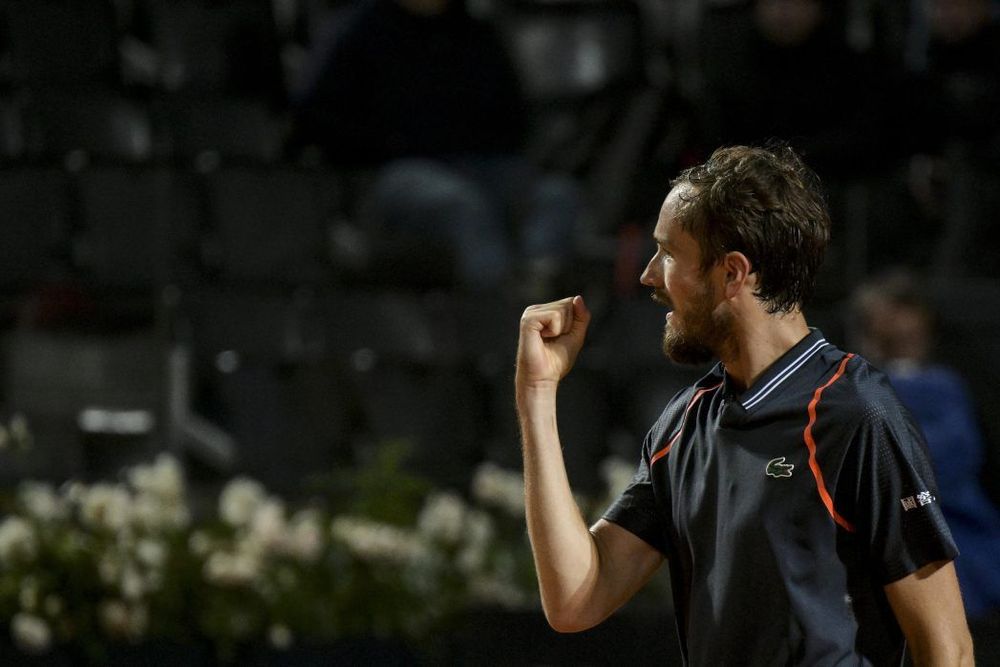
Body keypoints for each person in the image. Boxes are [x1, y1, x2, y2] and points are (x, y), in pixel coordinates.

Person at [515, 145, 974, 665]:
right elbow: (576, 600)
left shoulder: (857, 413)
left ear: (732, 272)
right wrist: (537, 394)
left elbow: (948, 649)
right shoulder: (682, 425)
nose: (648, 275)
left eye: (667, 253)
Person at [288, 0, 580, 293]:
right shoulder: (359, 30)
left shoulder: (475, 33)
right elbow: (315, 115)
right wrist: (381, 144)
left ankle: (537, 284)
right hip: (394, 171)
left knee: (556, 196)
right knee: (462, 206)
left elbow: (513, 117)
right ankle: (500, 300)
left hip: (482, 165)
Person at [851, 268, 1000, 622]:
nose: (901, 325)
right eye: (889, 314)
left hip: (956, 539)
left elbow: (950, 457)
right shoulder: (859, 388)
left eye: (906, 312)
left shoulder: (946, 385)